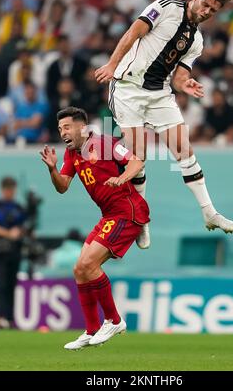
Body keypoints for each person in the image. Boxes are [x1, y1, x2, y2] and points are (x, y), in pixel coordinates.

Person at [95, 0, 233, 249]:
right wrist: (112, 64)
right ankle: (141, 222)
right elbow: (132, 33)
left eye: (214, 10)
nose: (208, 11)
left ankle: (209, 212)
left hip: (159, 92)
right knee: (139, 158)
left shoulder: (196, 40)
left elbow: (179, 77)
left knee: (184, 151)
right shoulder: (164, 7)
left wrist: (186, 83)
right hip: (128, 88)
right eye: (206, 4)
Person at [40, 106, 149, 348]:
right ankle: (90, 330)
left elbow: (137, 161)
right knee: (79, 269)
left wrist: (121, 178)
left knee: (89, 264)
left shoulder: (103, 143)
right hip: (108, 215)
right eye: (60, 129)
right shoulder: (72, 154)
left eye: (67, 127)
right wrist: (52, 169)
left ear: (82, 127)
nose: (63, 132)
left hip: (127, 212)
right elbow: (62, 187)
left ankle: (114, 320)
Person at [0, 177, 25, 328]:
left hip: (14, 251)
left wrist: (20, 232)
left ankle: (9, 318)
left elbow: (24, 227)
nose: (10, 192)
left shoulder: (17, 207)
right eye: (8, 189)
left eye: (12, 189)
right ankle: (0, 318)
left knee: (11, 284)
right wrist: (9, 234)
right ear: (3, 190)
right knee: (1, 284)